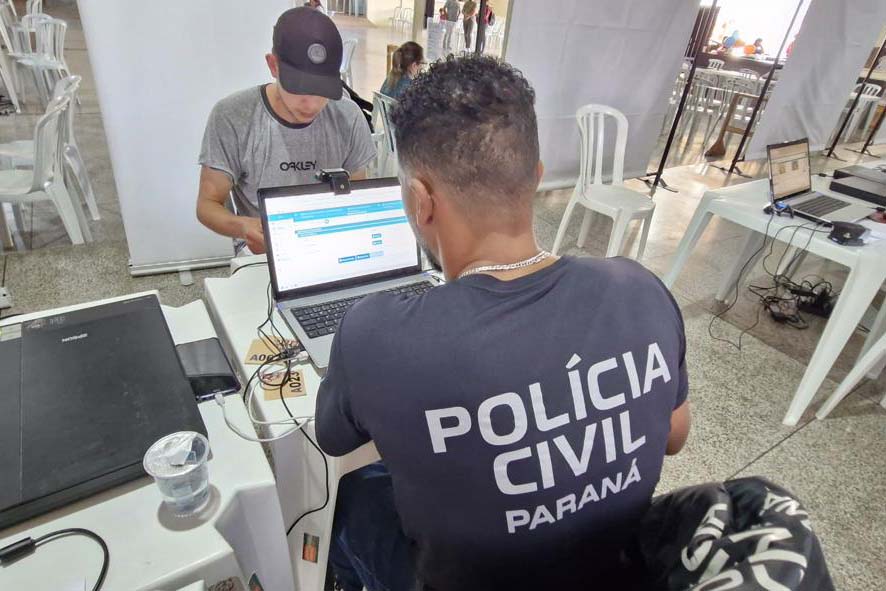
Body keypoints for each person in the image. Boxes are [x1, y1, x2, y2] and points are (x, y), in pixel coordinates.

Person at [316, 56, 691, 591]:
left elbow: (333, 439)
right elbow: (674, 435)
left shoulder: (376, 333)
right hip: (610, 571)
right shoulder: (639, 288)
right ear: (535, 177)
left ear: (421, 201)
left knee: (349, 497)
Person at [196, 7, 375, 254]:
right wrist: (244, 226)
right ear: (273, 66)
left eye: (322, 90)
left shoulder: (349, 116)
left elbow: (357, 197)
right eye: (299, 89)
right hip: (263, 252)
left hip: (329, 243)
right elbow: (207, 204)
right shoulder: (232, 116)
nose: (311, 105)